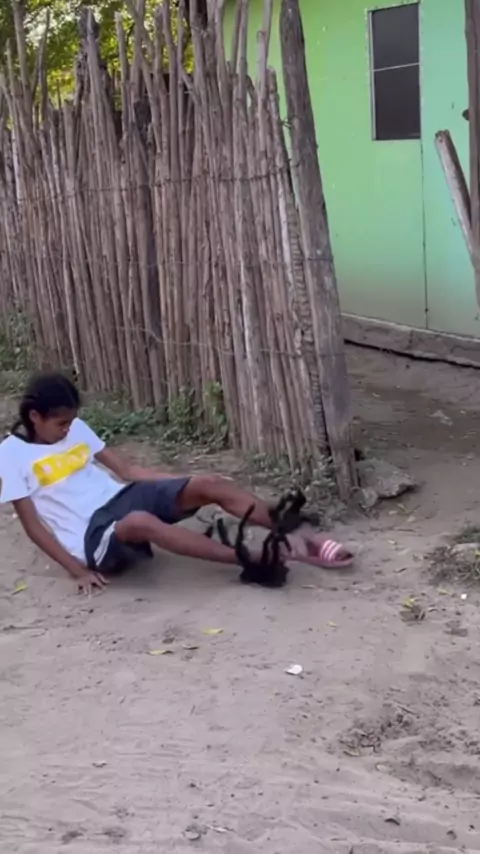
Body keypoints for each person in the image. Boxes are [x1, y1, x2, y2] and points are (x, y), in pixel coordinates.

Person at [0, 373, 353, 594]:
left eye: (70, 421)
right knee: (140, 521)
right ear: (35, 416)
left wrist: (189, 484)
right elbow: (34, 528)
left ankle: (302, 536)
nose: (68, 429)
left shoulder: (76, 428)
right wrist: (77, 571)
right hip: (92, 536)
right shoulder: (10, 455)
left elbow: (128, 471)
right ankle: (255, 559)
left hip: (121, 497)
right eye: (61, 424)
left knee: (210, 483)